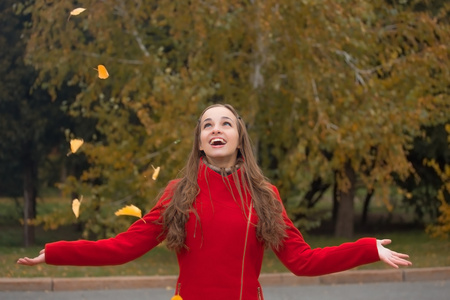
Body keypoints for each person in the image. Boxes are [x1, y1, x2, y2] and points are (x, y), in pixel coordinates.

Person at [17, 104, 412, 300]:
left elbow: (303, 262)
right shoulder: (178, 192)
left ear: (239, 139)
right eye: (207, 125)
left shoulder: (264, 195)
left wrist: (367, 248)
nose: (216, 129)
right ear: (201, 141)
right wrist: (53, 253)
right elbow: (122, 248)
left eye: (225, 123)